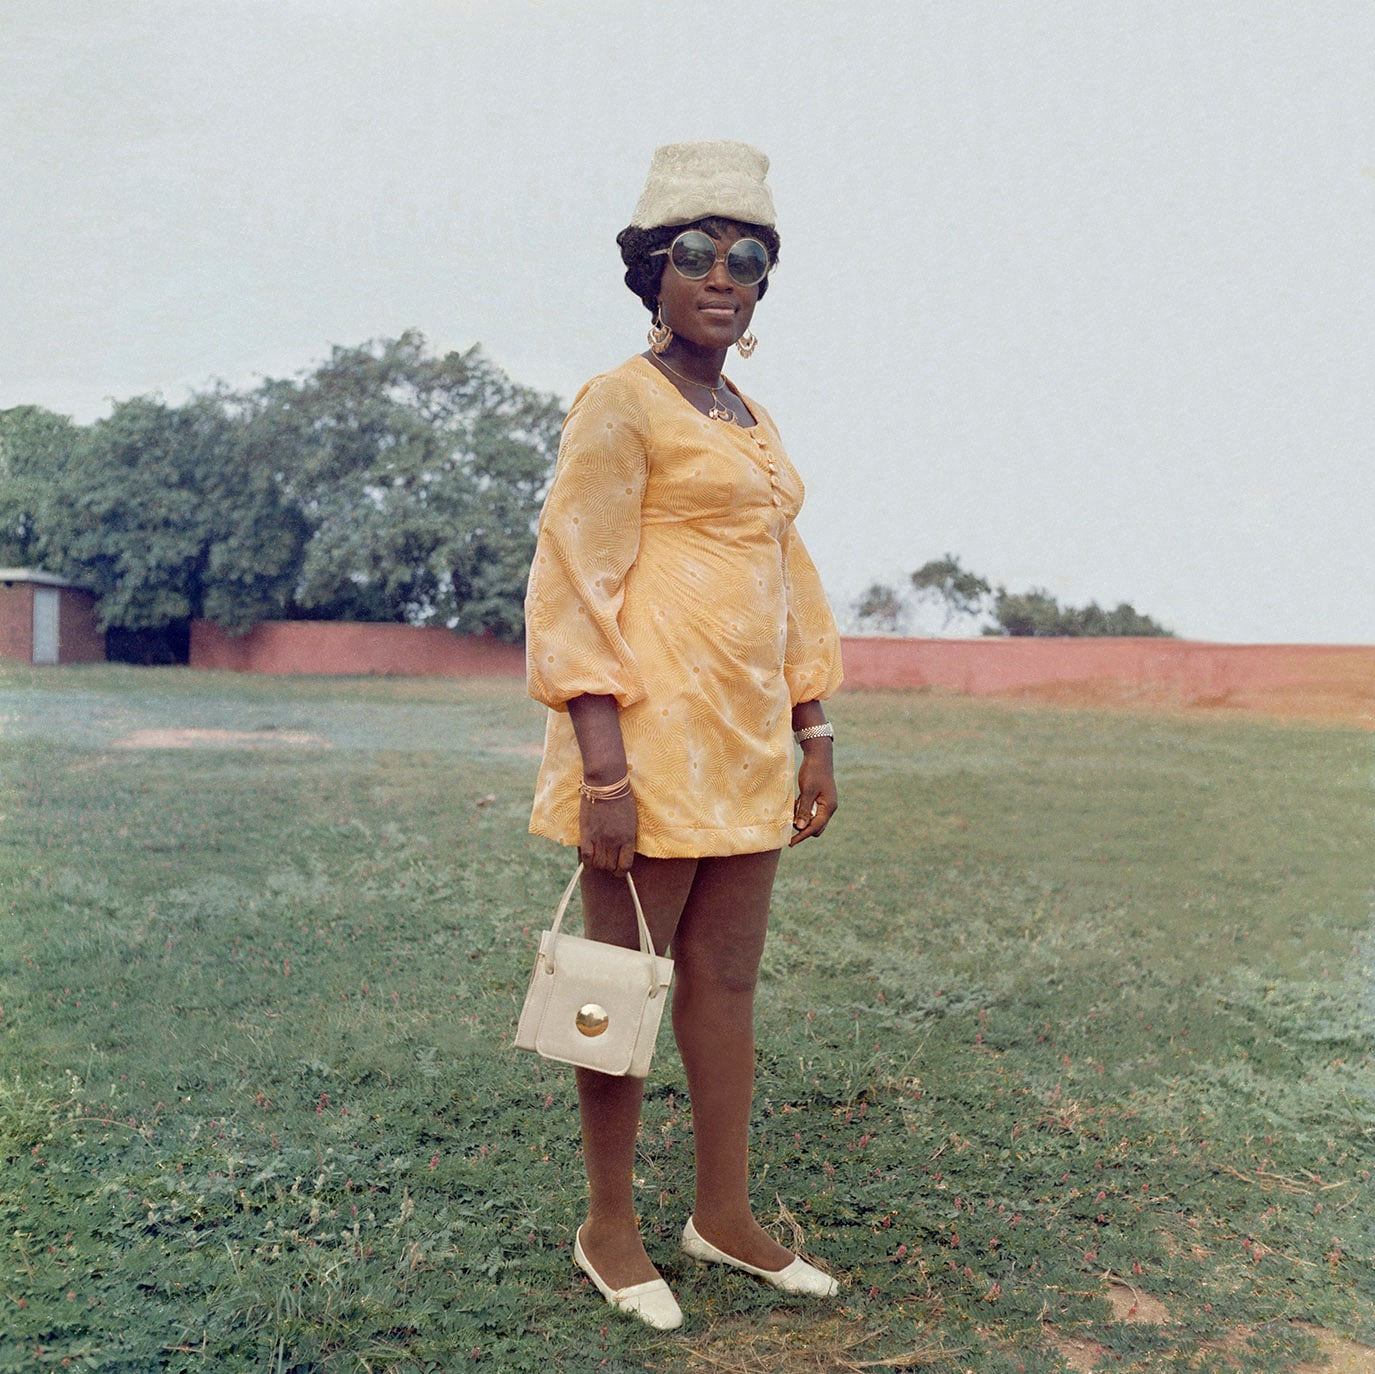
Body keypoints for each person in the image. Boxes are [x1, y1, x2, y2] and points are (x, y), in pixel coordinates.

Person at [524, 140, 844, 1331]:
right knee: (615, 984)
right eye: (695, 255)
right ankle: (608, 1226)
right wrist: (600, 765)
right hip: (646, 745)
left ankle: (721, 1216)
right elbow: (573, 580)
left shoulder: (748, 415)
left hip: (747, 740)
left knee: (723, 980)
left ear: (763, 284)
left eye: (745, 258)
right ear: (651, 273)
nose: (723, 275)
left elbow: (787, 574)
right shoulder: (621, 402)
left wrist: (812, 722)